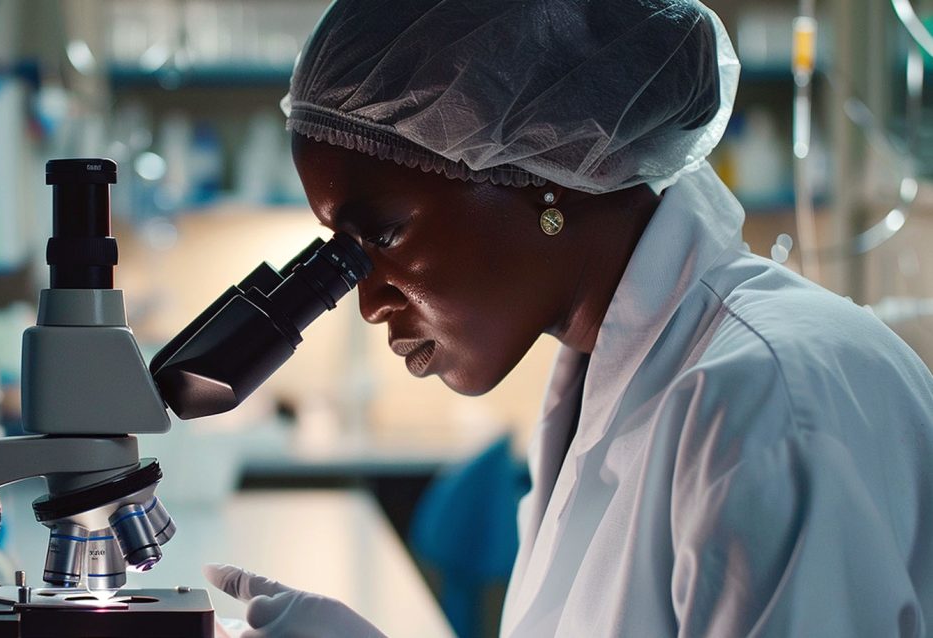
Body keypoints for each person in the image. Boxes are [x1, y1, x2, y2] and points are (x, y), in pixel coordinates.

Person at [203, 0, 933, 636]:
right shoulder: (607, 379)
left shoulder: (763, 402)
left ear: (543, 172)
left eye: (383, 235)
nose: (367, 301)